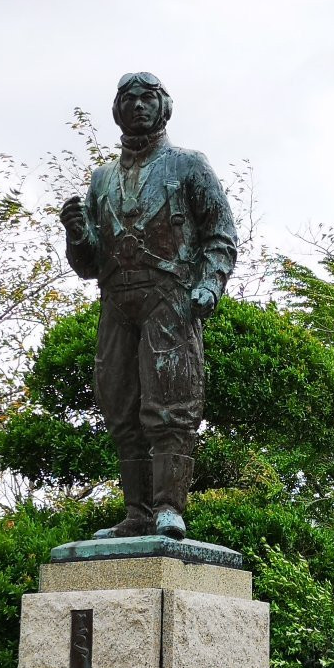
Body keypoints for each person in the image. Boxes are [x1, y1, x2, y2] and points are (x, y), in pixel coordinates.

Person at [60, 72, 237, 540]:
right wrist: (77, 233)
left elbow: (221, 235)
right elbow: (90, 264)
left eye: (148, 98)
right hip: (117, 302)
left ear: (165, 106)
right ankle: (135, 512)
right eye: (129, 99)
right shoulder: (102, 180)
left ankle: (168, 508)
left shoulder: (187, 166)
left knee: (170, 404)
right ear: (118, 110)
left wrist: (209, 285)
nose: (138, 105)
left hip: (170, 298)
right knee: (119, 405)